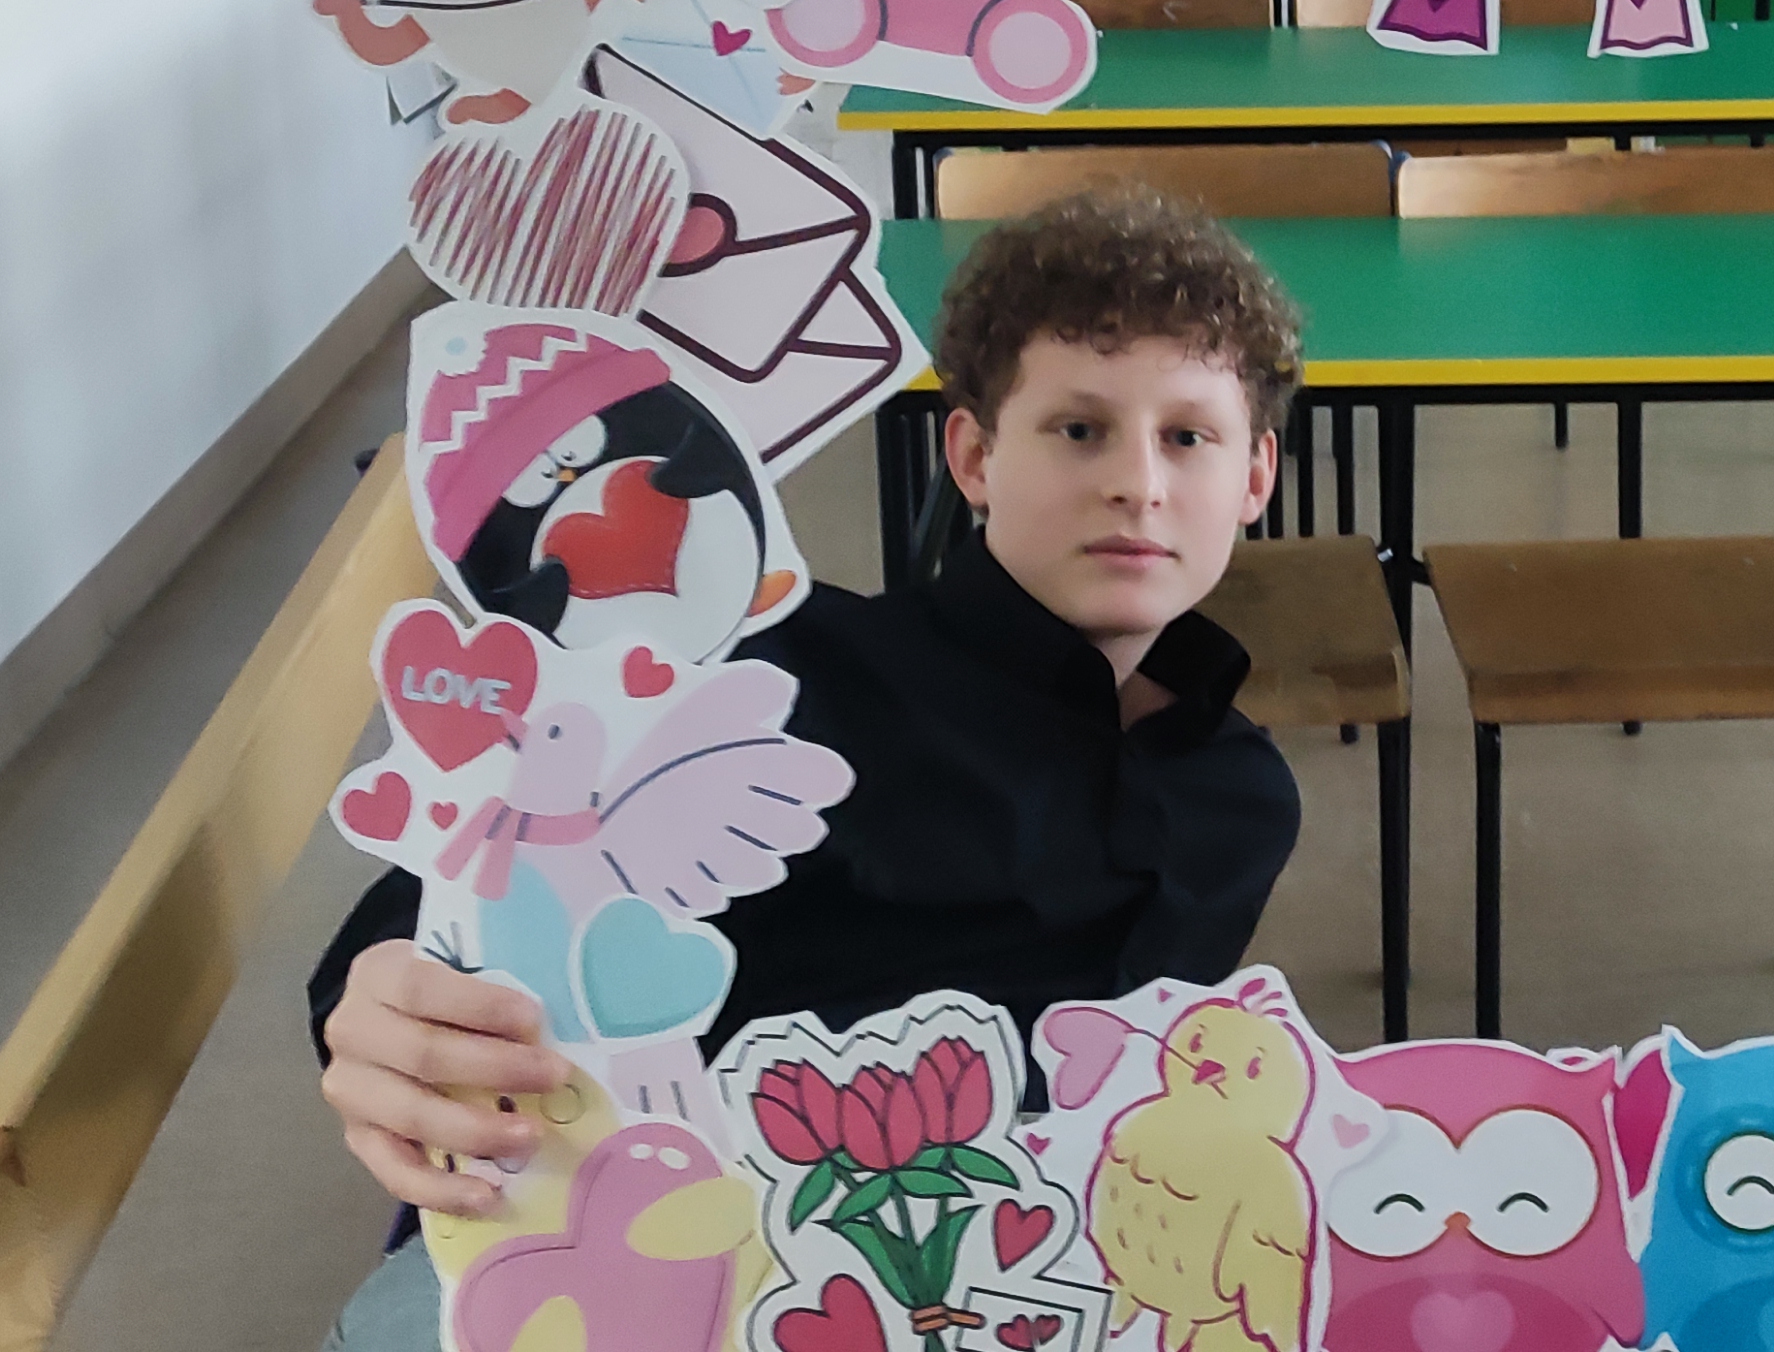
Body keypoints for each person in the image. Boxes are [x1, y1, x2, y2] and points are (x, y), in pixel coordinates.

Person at [305, 187, 1305, 1323]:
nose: (1139, 483)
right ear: (974, 457)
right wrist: (387, 1006)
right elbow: (451, 899)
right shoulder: (775, 671)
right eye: (1078, 430)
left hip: (998, 1283)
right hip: (664, 1257)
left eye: (1188, 437)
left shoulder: (1241, 799)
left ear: (1255, 479)